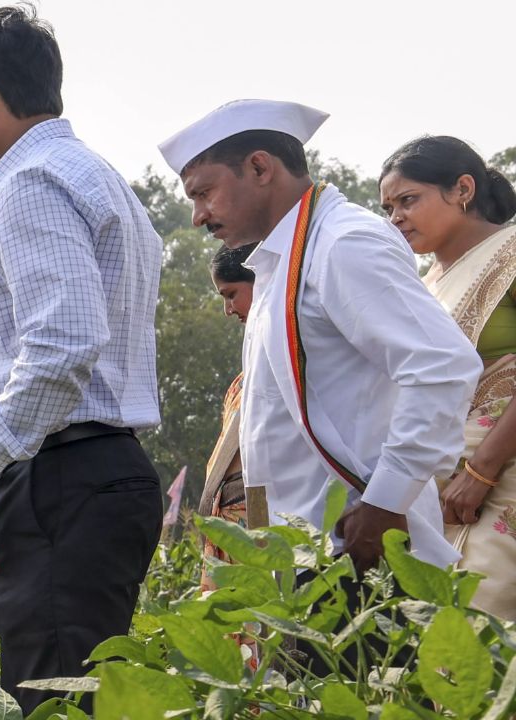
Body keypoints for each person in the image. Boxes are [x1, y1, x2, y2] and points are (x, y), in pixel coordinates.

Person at [0, 7, 164, 712]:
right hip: (94, 473)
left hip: (61, 479)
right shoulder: (98, 178)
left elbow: (63, 345)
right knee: (76, 689)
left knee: (53, 699)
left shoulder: (31, 185)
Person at [157, 99, 481, 578]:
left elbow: (441, 366)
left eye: (204, 193)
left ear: (260, 167)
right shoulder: (281, 259)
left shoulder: (342, 242)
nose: (197, 216)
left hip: (357, 547)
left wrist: (386, 502)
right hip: (304, 552)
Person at [380, 136, 516, 619]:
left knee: (483, 638)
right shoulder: (422, 285)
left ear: (462, 189)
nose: (395, 217)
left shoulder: (511, 250)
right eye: (388, 207)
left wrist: (481, 471)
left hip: (501, 474)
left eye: (407, 200)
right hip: (441, 489)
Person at [199, 242, 258, 591]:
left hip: (257, 528)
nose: (227, 309)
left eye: (231, 293)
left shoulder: (292, 362)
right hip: (227, 526)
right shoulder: (240, 383)